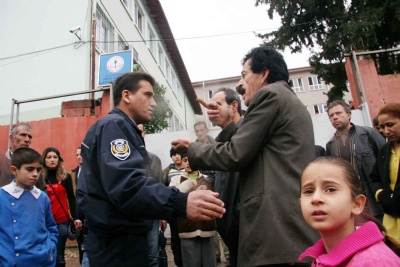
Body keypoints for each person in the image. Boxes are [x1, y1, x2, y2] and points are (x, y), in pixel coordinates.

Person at [172, 46, 319, 266]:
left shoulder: (270, 95)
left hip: (275, 231)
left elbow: (236, 153)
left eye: (244, 75)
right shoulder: (286, 99)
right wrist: (225, 122)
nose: (240, 84)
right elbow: (252, 141)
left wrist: (194, 150)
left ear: (264, 73)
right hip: (286, 230)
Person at [77, 72, 225, 266]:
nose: (154, 103)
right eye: (148, 95)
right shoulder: (115, 126)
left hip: (121, 241)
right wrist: (180, 202)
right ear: (127, 95)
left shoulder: (122, 127)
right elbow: (128, 187)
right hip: (116, 247)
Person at [298, 157, 400, 266]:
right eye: (309, 191)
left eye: (330, 189)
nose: (316, 198)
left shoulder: (376, 261)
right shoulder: (320, 256)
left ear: (357, 204)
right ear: (300, 203)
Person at [199, 87, 242, 266]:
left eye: (218, 104)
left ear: (234, 106)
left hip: (244, 232)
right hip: (230, 234)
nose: (211, 108)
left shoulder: (245, 135)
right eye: (210, 105)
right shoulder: (223, 142)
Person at [326, 100, 385, 221]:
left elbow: (385, 161)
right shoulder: (331, 145)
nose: (335, 117)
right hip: (351, 200)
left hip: (375, 198)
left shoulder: (368, 134)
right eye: (331, 115)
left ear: (348, 114)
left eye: (338, 113)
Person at [0, 147, 58, 266]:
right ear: (14, 170)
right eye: (30, 169)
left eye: (38, 170)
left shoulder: (42, 197)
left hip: (41, 261)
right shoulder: (2, 196)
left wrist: (50, 248)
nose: (35, 174)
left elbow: (51, 227)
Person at [169, 155, 217, 267]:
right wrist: (190, 182)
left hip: (207, 228)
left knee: (209, 263)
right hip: (187, 229)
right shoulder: (176, 179)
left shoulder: (207, 179)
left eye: (191, 160)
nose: (188, 163)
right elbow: (172, 196)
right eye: (185, 160)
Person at [42, 147, 82, 267]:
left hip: (61, 221)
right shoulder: (39, 177)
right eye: (49, 157)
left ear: (59, 159)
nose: (52, 160)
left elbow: (71, 198)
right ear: (44, 160)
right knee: (46, 253)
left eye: (55, 157)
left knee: (59, 255)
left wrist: (75, 218)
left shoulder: (65, 176)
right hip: (44, 221)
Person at [370, 102, 400, 244]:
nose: (385, 131)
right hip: (392, 220)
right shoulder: (384, 150)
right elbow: (374, 177)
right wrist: (381, 194)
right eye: (382, 127)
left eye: (390, 125)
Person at [138, 123, 167, 267]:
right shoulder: (123, 159)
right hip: (130, 217)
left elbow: (159, 188)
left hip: (151, 216)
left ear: (144, 133)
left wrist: (162, 215)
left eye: (140, 130)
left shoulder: (154, 160)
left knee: (153, 257)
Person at [161, 147, 186, 267]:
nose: (176, 156)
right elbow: (162, 189)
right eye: (174, 154)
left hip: (187, 209)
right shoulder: (167, 171)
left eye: (178, 154)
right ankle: (179, 261)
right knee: (176, 239)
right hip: (174, 211)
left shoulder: (188, 168)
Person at [70, 146, 89, 266]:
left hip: (90, 214)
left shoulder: (92, 172)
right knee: (80, 243)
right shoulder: (73, 173)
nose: (78, 157)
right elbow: (71, 196)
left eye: (80, 154)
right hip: (78, 214)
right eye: (77, 155)